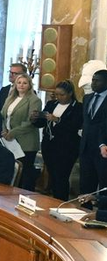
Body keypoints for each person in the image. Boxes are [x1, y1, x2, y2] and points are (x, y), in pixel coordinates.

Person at [39, 80, 83, 201]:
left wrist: (58, 120)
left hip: (67, 147)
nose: (58, 97)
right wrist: (36, 118)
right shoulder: (51, 104)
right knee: (53, 175)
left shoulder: (78, 107)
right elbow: (42, 122)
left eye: (62, 95)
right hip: (49, 145)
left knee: (61, 176)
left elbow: (75, 126)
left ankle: (61, 201)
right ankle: (53, 200)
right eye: (57, 94)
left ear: (70, 94)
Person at [1, 71, 43, 191]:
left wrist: (12, 133)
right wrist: (4, 131)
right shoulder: (10, 98)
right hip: (9, 139)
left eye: (25, 83)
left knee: (25, 171)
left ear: (29, 85)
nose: (21, 85)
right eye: (19, 82)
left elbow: (30, 122)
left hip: (26, 141)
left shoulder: (34, 100)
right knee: (12, 169)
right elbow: (3, 116)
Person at [80, 67, 107, 196]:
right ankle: (84, 213)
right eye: (93, 80)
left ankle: (101, 214)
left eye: (98, 81)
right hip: (86, 147)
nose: (93, 83)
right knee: (85, 184)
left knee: (103, 184)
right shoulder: (87, 98)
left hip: (102, 149)